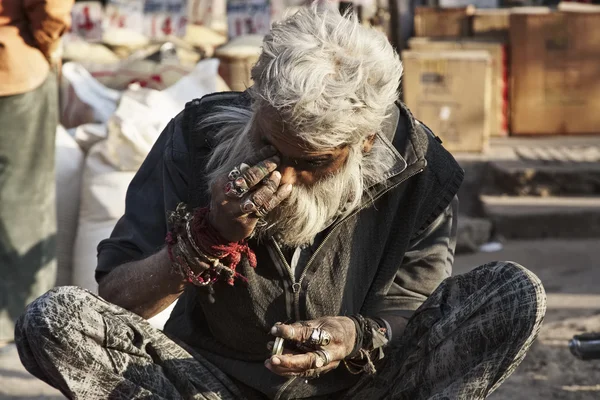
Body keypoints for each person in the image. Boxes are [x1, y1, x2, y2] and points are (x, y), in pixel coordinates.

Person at [15, 6, 546, 399]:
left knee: (513, 294)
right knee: (54, 319)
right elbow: (118, 301)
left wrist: (356, 335)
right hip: (213, 385)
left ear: (364, 142)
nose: (284, 175)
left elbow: (414, 308)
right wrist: (203, 241)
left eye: (312, 161)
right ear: (256, 105)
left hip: (364, 389)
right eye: (269, 145)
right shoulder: (197, 135)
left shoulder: (418, 166)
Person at [0, 0, 74, 342]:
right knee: (24, 198)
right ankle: (18, 320)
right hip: (12, 67)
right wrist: (50, 43)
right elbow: (51, 7)